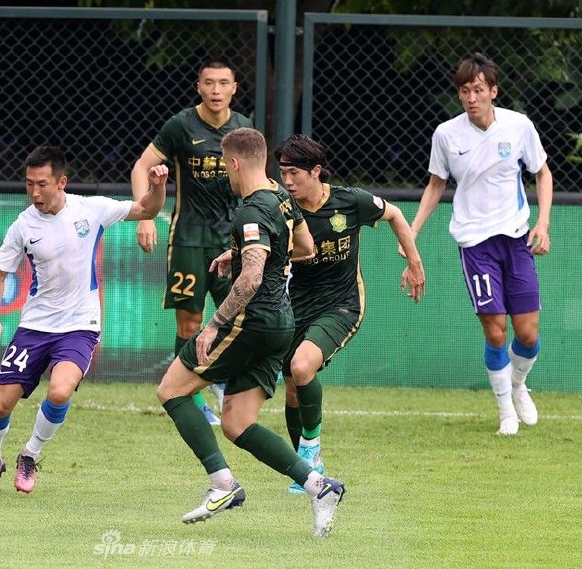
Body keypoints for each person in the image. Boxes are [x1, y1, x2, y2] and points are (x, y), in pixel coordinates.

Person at [156, 127, 345, 538]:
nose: (226, 173)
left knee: (171, 391)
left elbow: (251, 278)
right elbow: (305, 247)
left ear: (235, 163)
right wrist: (241, 251)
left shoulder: (251, 211)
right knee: (237, 423)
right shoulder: (281, 196)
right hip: (281, 324)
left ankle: (222, 484)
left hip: (251, 322)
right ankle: (319, 486)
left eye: (226, 166)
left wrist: (214, 324)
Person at [0, 145, 168, 494]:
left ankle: (30, 454)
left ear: (61, 182)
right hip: (35, 326)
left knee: (60, 390)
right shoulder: (23, 225)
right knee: (0, 404)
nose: (35, 192)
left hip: (80, 325)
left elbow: (146, 208)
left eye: (42, 184)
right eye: (29, 183)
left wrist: (158, 186)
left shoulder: (91, 210)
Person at [406, 53, 552, 435]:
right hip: (475, 243)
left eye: (478, 90)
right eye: (465, 91)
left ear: (493, 91)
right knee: (495, 331)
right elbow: (436, 184)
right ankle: (505, 412)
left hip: (516, 238)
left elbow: (542, 172)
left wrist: (543, 223)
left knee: (528, 335)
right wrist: (412, 232)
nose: (471, 98)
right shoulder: (446, 135)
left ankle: (518, 385)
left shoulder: (518, 126)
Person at [272, 134, 425, 493]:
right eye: (283, 173)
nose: (287, 181)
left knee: (302, 367)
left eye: (294, 173)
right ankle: (306, 471)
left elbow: (394, 214)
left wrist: (414, 263)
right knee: (292, 390)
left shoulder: (349, 201)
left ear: (316, 171)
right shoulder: (281, 208)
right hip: (294, 306)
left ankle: (311, 450)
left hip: (341, 305)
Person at [131, 56, 254, 425]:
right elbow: (141, 166)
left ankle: (221, 380)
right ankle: (191, 396)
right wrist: (143, 215)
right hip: (188, 239)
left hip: (231, 241)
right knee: (189, 322)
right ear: (199, 86)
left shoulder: (244, 128)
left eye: (223, 83)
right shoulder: (181, 125)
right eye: (209, 82)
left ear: (234, 88)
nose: (216, 90)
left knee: (236, 317)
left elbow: (257, 180)